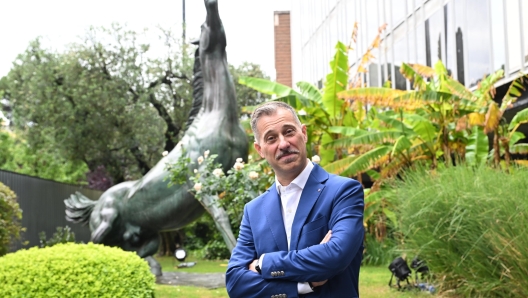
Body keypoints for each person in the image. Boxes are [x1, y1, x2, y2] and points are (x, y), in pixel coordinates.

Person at [226, 101, 365, 297]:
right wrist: (304, 284)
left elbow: (336, 255)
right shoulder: (253, 211)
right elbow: (235, 283)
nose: (283, 144)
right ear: (260, 150)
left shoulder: (343, 192)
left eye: (289, 132)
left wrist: (263, 264)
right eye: (271, 138)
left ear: (304, 133)